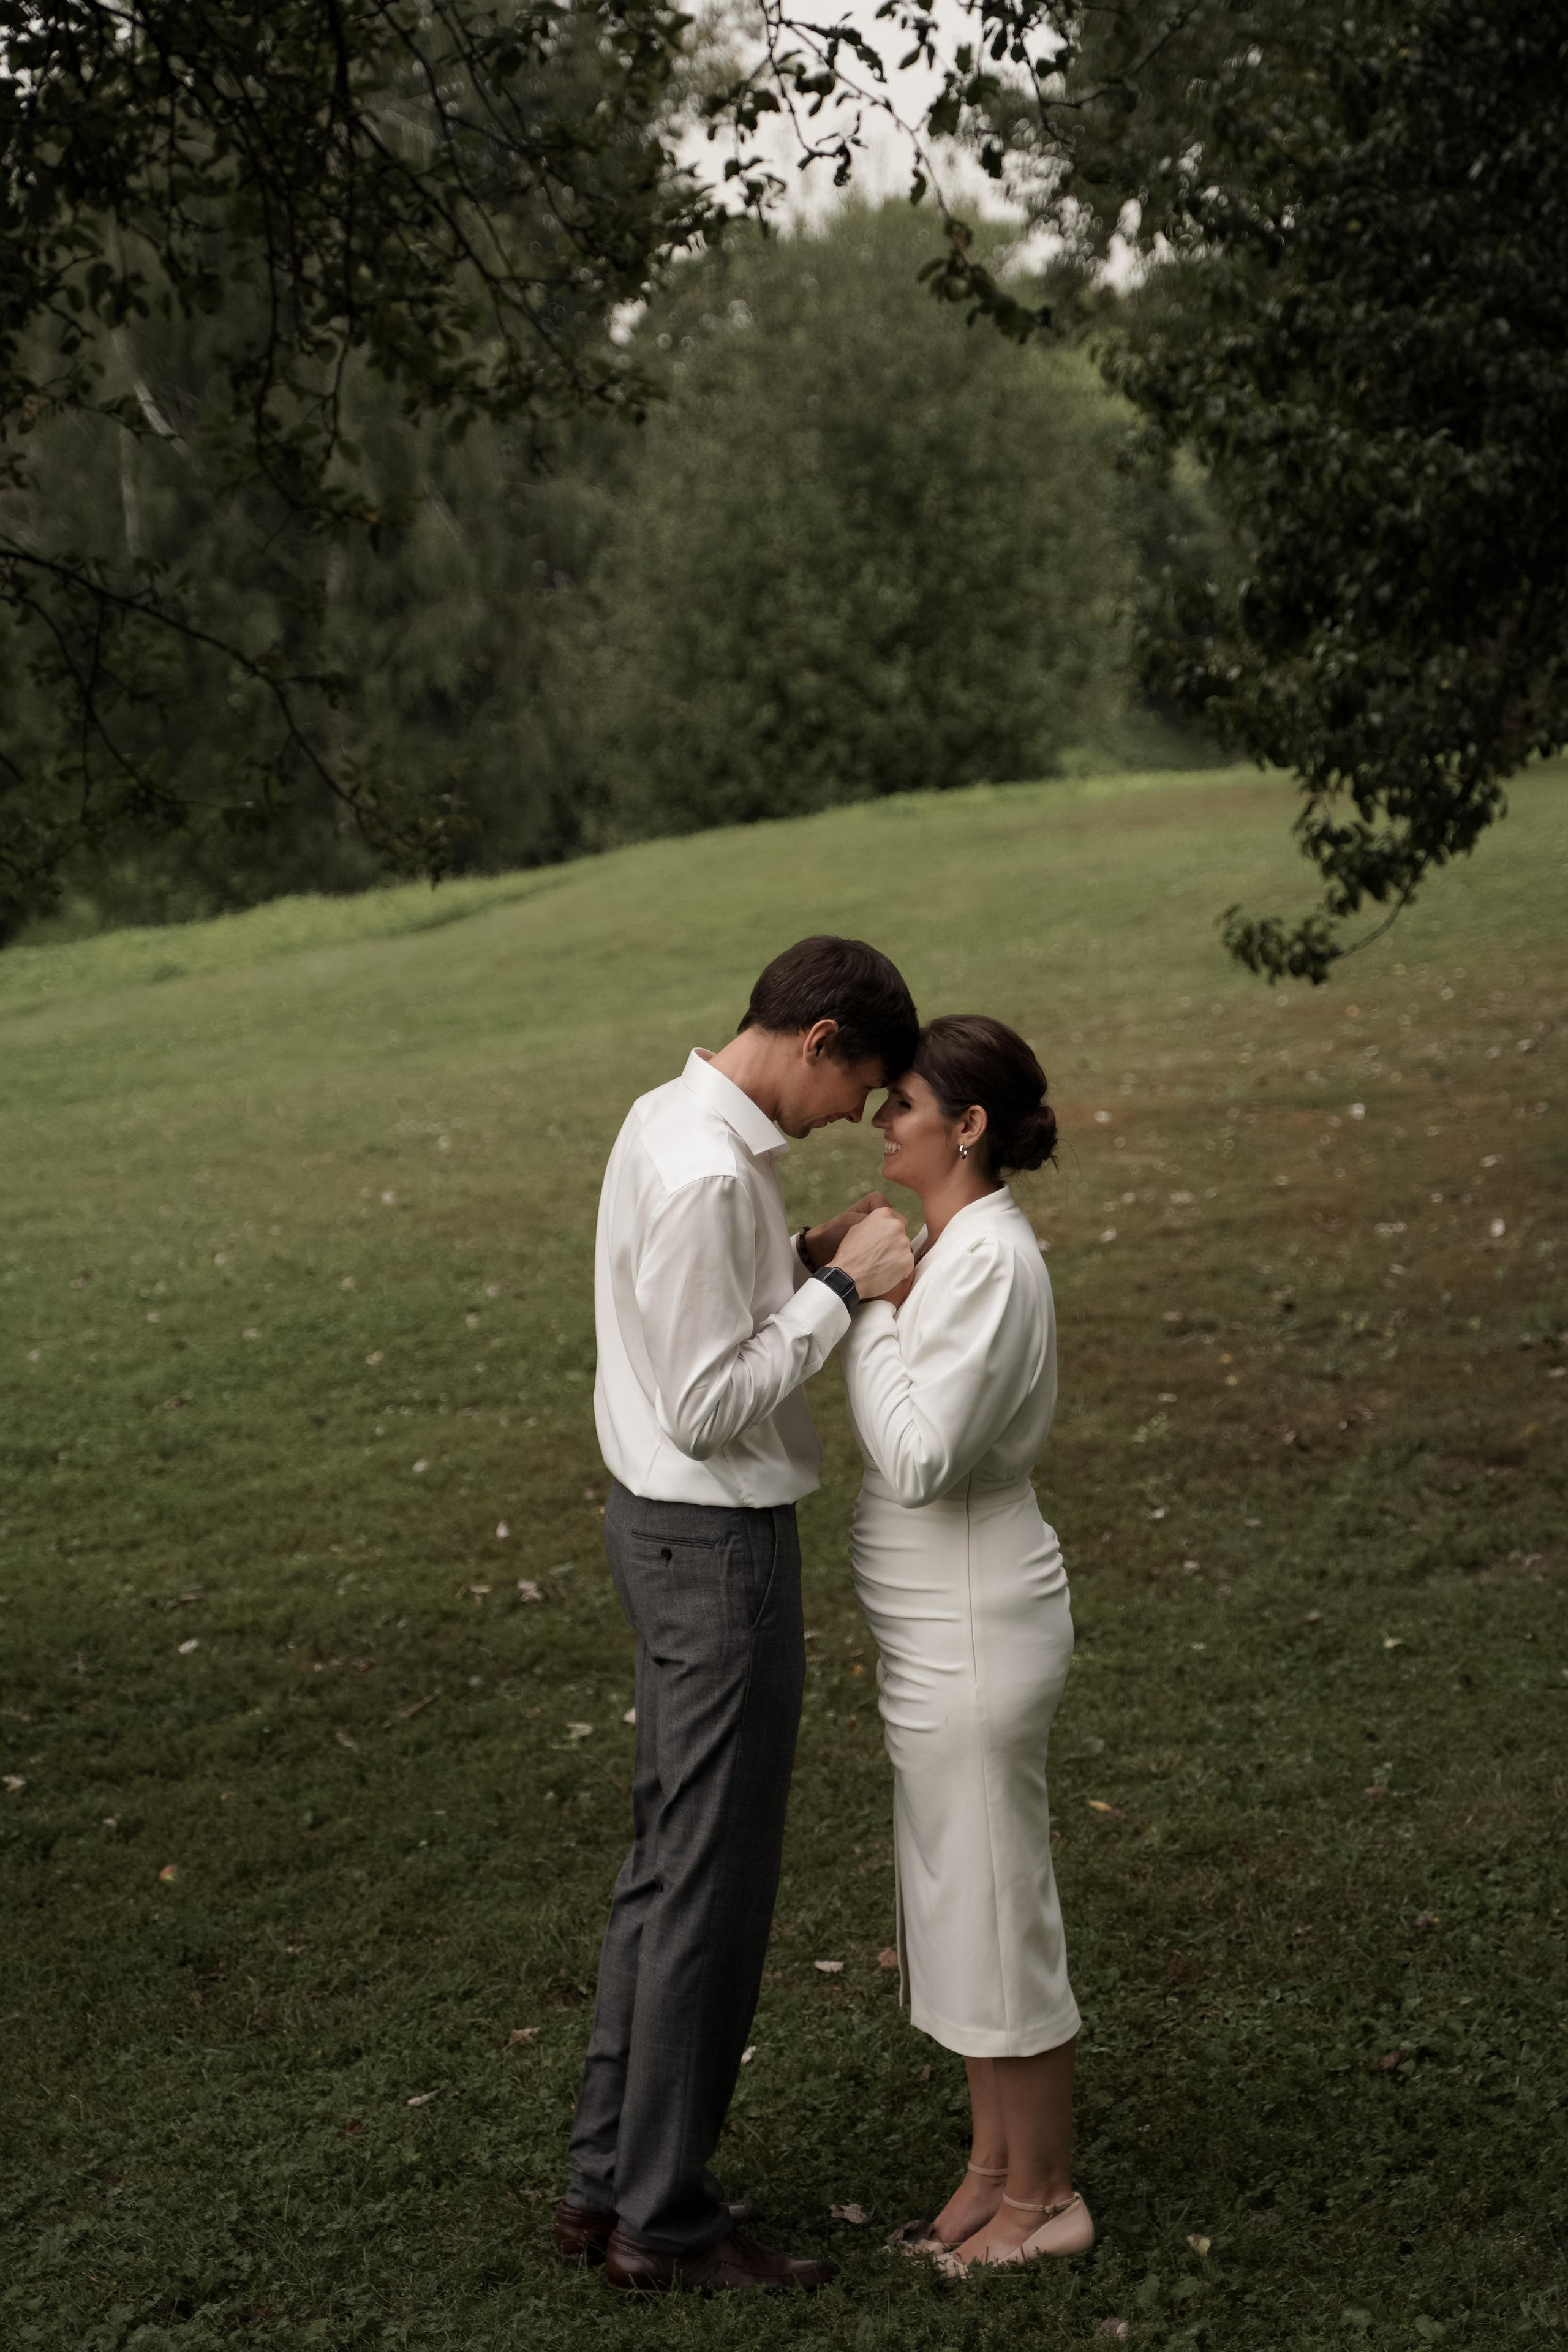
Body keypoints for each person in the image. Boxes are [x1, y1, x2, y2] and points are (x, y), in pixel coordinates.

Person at [556, 935, 918, 2294]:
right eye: (857, 1086)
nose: (854, 1116)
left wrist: (797, 1256)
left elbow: (686, 1323)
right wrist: (839, 1291)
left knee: (665, 1871)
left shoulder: (671, 1117)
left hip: (654, 1532)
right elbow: (707, 1405)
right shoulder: (713, 1172)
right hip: (713, 1551)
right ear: (818, 1040)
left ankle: (603, 2187)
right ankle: (664, 2223)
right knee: (708, 1886)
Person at [840, 1014, 1093, 2271]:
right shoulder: (949, 1246)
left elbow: (921, 1457)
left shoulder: (988, 1260)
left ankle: (1047, 2201)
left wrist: (862, 1309)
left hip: (977, 1625)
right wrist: (879, 1286)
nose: (880, 1121)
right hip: (933, 1631)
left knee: (998, 1908)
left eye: (901, 1103)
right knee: (956, 1907)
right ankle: (991, 2170)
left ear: (968, 1125)